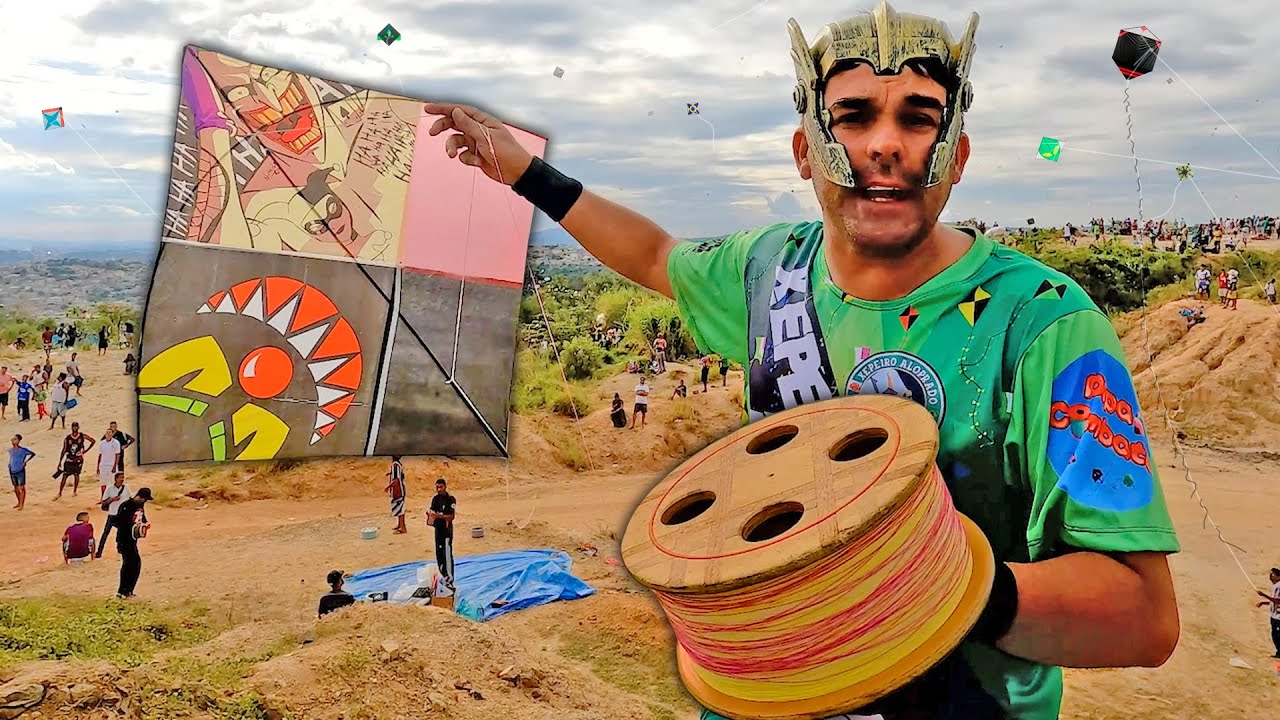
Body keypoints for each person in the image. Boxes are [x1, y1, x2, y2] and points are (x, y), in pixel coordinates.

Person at [422, 3, 1181, 716]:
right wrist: (524, 173)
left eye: (919, 119)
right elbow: (654, 255)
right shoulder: (768, 269)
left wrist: (919, 587)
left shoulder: (1044, 324)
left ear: (958, 157)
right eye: (853, 116)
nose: (885, 143)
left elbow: (1143, 617)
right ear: (804, 150)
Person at [114, 487, 151, 598]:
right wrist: (132, 527)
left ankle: (129, 590)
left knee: (135, 564)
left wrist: (144, 526)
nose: (144, 502)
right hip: (124, 539)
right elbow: (118, 523)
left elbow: (142, 518)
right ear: (138, 496)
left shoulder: (140, 506)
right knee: (129, 564)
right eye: (144, 499)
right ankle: (122, 591)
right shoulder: (126, 506)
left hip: (133, 539)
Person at [426, 478, 456, 588]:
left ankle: (450, 578)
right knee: (439, 554)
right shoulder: (435, 499)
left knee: (447, 554)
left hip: (446, 532)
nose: (438, 489)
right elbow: (432, 511)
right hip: (438, 530)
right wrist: (430, 517)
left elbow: (451, 516)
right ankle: (443, 575)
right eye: (437, 487)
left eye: (440, 487)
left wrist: (440, 516)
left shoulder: (450, 499)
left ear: (445, 486)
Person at [55, 422, 95, 499]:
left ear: (78, 427)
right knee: (65, 476)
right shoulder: (68, 438)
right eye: (73, 427)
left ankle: (75, 491)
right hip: (69, 459)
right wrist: (60, 461)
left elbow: (93, 441)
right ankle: (60, 492)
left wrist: (85, 451)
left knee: (76, 475)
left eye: (76, 427)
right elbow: (64, 450)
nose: (74, 428)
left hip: (78, 459)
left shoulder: (82, 436)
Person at [95, 471, 130, 558]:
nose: (122, 479)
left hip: (122, 515)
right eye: (120, 477)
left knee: (121, 533)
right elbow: (104, 501)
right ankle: (99, 552)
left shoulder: (126, 488)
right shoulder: (110, 488)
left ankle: (119, 549)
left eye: (123, 477)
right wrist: (112, 499)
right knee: (105, 533)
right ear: (116, 479)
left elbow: (129, 500)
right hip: (112, 514)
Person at [1256, 568, 1280, 659]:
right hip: (1274, 616)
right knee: (1275, 635)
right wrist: (1264, 602)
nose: (1270, 577)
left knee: (1277, 635)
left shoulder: (1279, 586)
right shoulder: (1275, 586)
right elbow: (1274, 601)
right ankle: (1279, 653)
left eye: (1272, 575)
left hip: (1278, 616)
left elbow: (1278, 601)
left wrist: (1263, 595)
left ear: (1278, 576)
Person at [7, 435, 34, 511]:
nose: (13, 441)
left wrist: (25, 462)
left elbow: (32, 454)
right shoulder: (10, 450)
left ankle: (21, 504)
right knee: (15, 488)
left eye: (15, 439)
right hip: (12, 470)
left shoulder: (23, 450)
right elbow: (12, 458)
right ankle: (19, 502)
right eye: (12, 439)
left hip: (20, 470)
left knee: (21, 488)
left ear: (18, 441)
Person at [96, 429, 122, 497]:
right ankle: (103, 497)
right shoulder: (102, 443)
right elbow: (100, 455)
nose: (108, 434)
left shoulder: (116, 443)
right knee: (103, 483)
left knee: (112, 482)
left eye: (110, 433)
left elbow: (117, 455)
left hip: (111, 465)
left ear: (112, 434)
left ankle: (113, 496)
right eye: (107, 433)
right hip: (103, 465)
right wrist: (98, 466)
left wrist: (114, 466)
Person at [386, 455, 407, 534]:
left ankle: (402, 527)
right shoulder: (397, 465)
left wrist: (388, 487)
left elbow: (396, 480)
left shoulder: (395, 465)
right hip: (399, 490)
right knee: (399, 508)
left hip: (397, 491)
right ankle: (400, 525)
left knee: (400, 509)